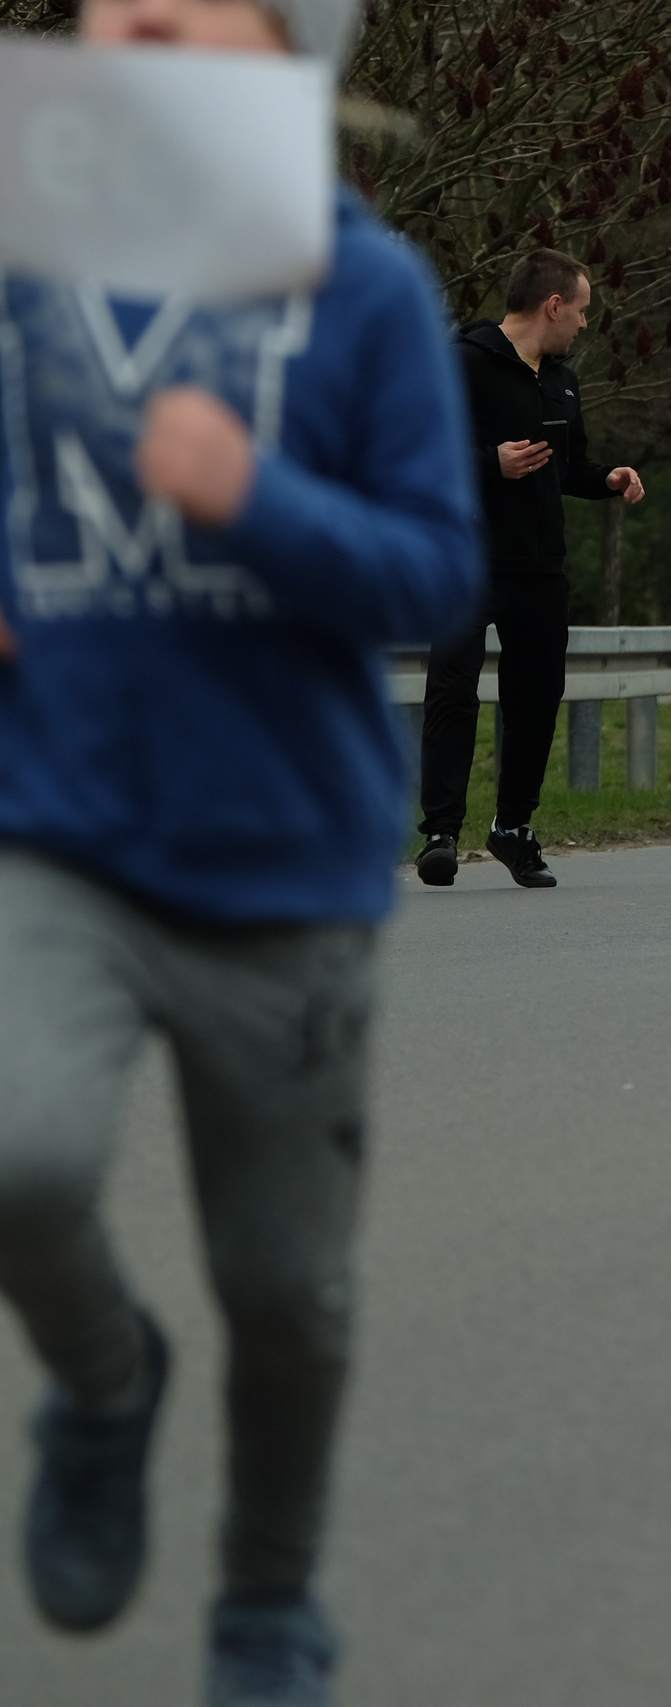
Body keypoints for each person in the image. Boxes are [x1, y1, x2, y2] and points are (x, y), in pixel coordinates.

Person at [0, 1, 481, 1700]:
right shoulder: (34, 270)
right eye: (102, 20)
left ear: (286, 63)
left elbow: (435, 572)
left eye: (171, 22)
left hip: (285, 872)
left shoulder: (363, 290)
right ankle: (104, 1371)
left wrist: (250, 495)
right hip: (54, 832)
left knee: (289, 1296)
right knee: (20, 1154)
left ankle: (268, 1600)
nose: (121, 46)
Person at [415, 248, 644, 889]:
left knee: (536, 702)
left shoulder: (562, 380)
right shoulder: (461, 363)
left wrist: (608, 478)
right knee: (453, 693)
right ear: (552, 305)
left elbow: (566, 466)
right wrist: (492, 463)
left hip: (541, 569)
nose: (584, 323)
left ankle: (513, 828)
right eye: (581, 310)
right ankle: (439, 834)